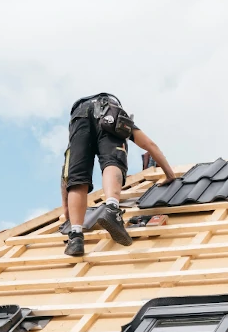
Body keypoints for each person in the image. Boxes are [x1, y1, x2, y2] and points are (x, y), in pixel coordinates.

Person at [61, 93, 175, 257]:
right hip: (108, 110)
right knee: (112, 160)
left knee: (77, 177)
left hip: (79, 115)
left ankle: (76, 237)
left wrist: (68, 215)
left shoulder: (73, 137)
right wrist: (169, 174)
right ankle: (112, 209)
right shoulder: (120, 120)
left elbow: (66, 177)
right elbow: (150, 145)